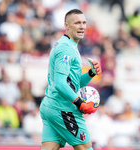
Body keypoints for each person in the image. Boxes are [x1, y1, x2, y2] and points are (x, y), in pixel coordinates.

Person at [39, 9, 102, 150]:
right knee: (86, 148)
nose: (82, 26)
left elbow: (72, 84)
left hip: (51, 105)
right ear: (66, 25)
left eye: (84, 23)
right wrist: (80, 103)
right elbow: (61, 84)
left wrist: (91, 73)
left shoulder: (68, 45)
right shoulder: (66, 49)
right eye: (77, 23)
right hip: (63, 108)